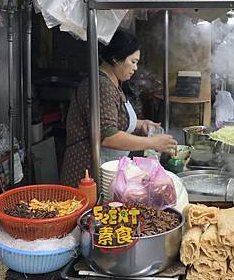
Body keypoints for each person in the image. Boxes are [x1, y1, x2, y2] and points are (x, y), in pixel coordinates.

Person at [61, 30, 177, 187]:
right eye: (133, 62)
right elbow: (108, 136)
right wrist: (152, 142)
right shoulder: (102, 86)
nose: (135, 68)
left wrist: (140, 124)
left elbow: (112, 118)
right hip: (88, 173)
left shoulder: (113, 82)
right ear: (116, 58)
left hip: (104, 168)